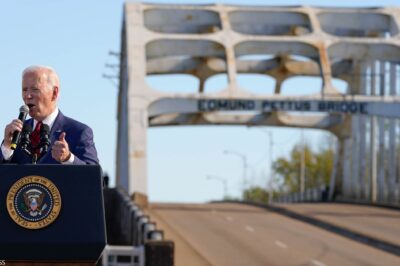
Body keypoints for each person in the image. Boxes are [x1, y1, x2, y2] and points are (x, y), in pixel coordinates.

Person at [0, 65, 99, 165]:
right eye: (25, 90)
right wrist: (7, 148)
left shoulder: (79, 132)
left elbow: (94, 177)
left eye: (35, 89)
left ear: (54, 93)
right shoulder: (17, 133)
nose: (28, 96)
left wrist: (68, 158)